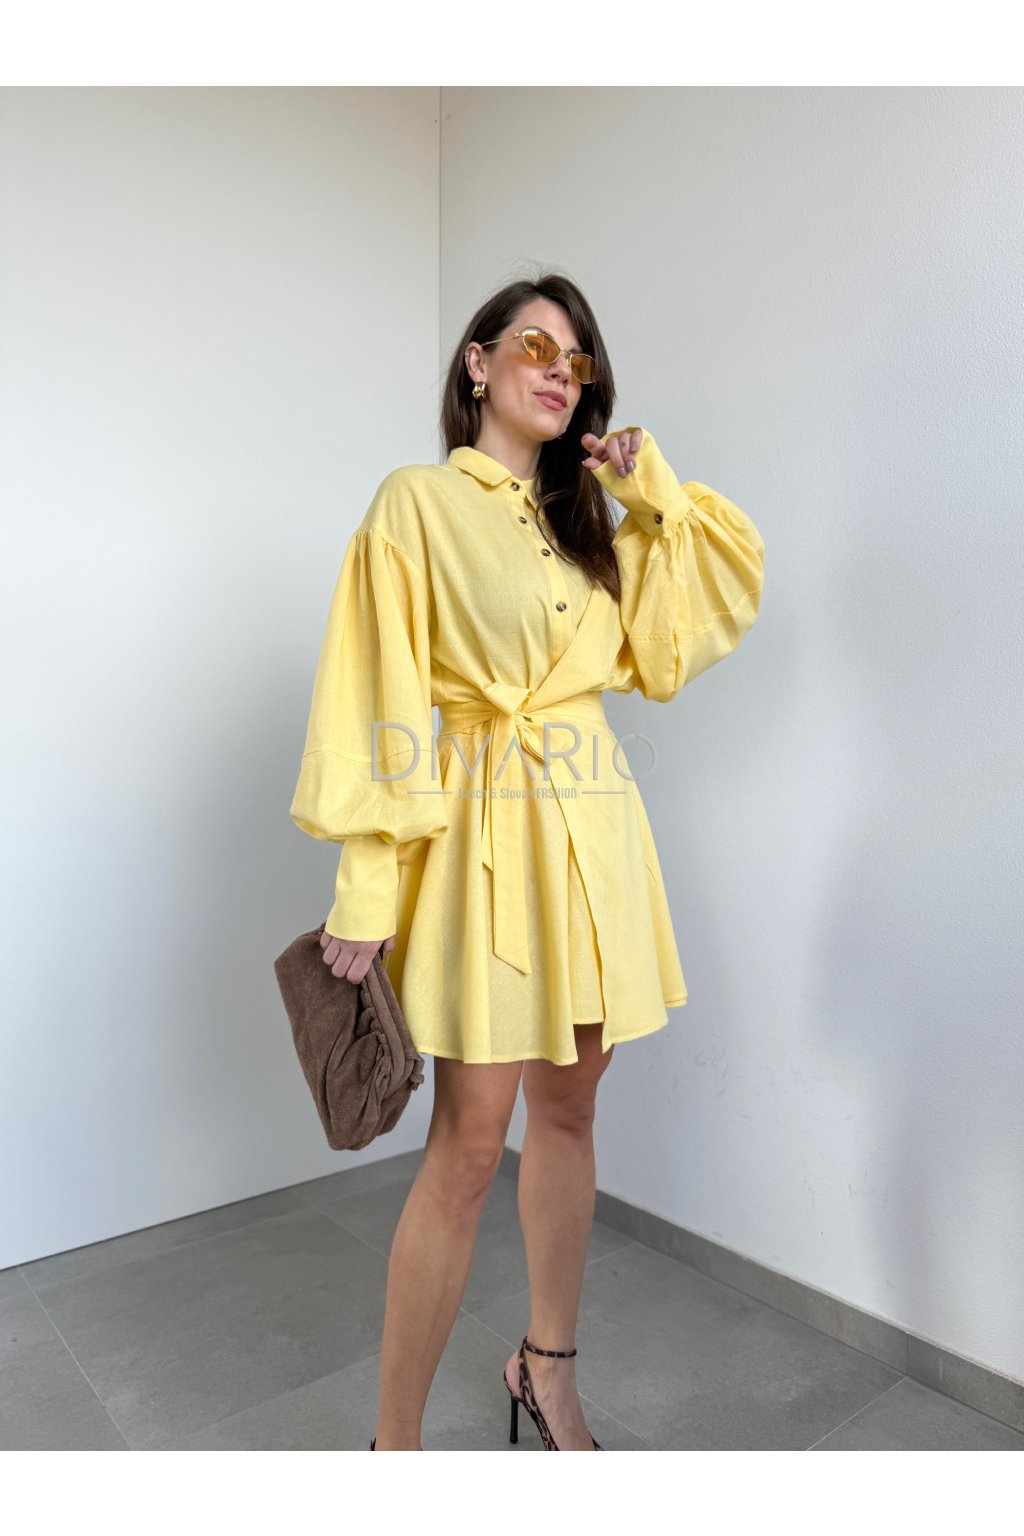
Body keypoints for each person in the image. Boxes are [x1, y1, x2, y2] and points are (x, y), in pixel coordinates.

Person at [289, 271, 766, 1451]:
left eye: (578, 361)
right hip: (481, 844)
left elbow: (678, 639)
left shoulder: (586, 528)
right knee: (465, 1147)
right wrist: (366, 884)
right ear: (478, 362)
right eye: (537, 347)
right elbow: (375, 690)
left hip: (593, 837)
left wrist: (648, 493)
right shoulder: (415, 503)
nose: (560, 372)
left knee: (567, 1117)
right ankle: (393, 1449)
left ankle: (545, 1370)